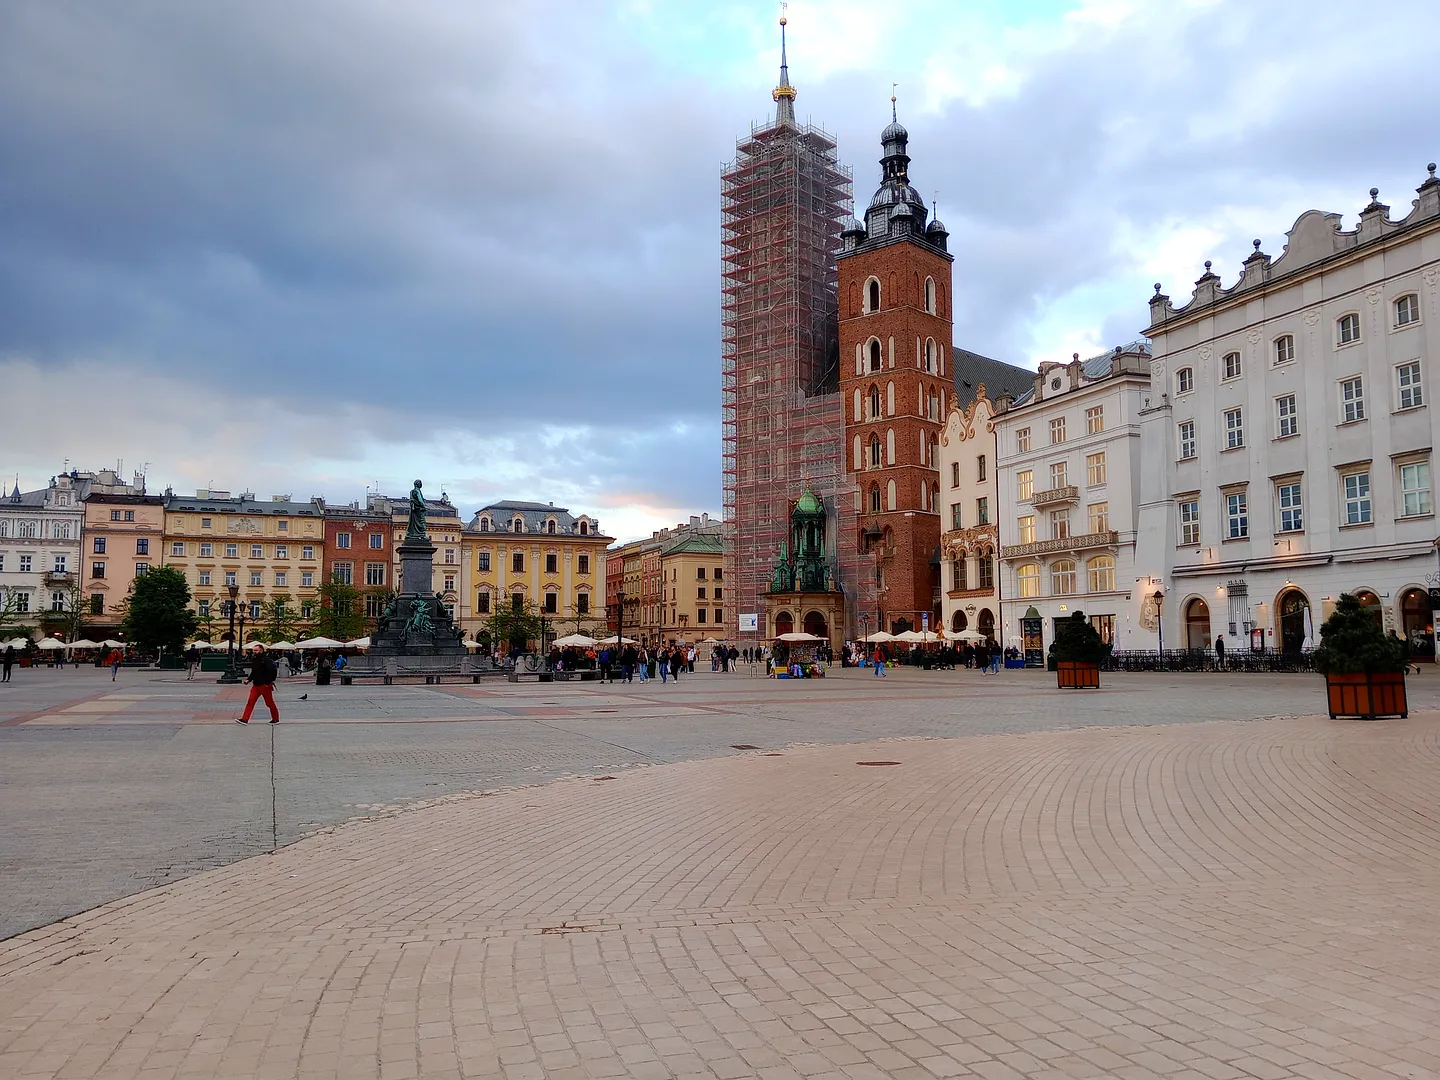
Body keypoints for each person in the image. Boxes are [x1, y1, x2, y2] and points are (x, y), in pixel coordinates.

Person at [235, 644, 280, 724]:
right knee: (250, 702)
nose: (254, 652)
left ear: (261, 650)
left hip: (264, 685)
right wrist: (248, 680)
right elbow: (254, 671)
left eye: (256, 650)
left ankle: (275, 718)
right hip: (256, 684)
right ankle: (245, 719)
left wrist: (268, 682)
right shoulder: (255, 659)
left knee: (269, 703)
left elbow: (273, 671)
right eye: (254, 650)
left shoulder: (266, 660)